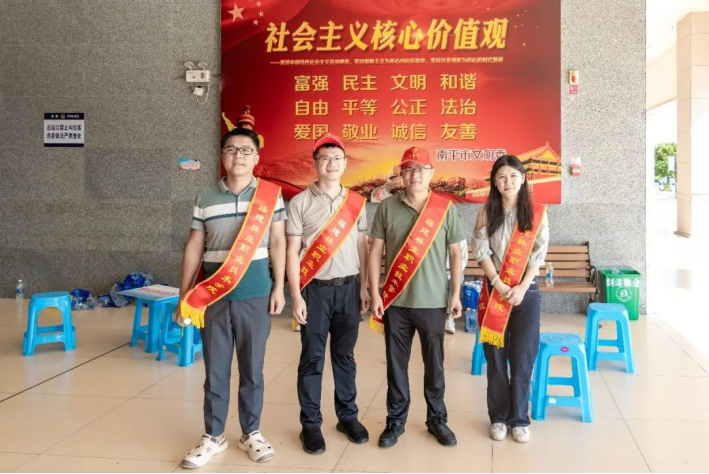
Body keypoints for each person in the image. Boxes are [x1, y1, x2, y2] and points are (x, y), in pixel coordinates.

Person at [177, 127, 287, 468]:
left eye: (245, 150)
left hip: (256, 295)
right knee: (216, 368)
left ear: (256, 157)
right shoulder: (205, 196)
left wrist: (279, 287)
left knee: (253, 369)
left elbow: (279, 242)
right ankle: (213, 435)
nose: (238, 155)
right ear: (222, 156)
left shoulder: (270, 195)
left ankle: (251, 432)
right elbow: (195, 246)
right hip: (214, 297)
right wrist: (184, 296)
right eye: (231, 149)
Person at [368, 146, 465, 448]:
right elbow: (375, 251)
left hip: (433, 302)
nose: (415, 175)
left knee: (434, 365)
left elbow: (456, 254)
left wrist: (456, 294)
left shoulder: (445, 209)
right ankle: (395, 420)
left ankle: (437, 419)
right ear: (401, 174)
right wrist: (374, 292)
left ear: (431, 173)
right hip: (395, 302)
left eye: (421, 169)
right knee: (396, 364)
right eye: (409, 169)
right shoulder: (387, 207)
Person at [286, 133, 371, 454]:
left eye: (337, 158)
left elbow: (362, 246)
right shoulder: (300, 202)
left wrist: (364, 287)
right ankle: (310, 424)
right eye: (325, 158)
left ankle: (347, 416)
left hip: (349, 289)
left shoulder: (357, 202)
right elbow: (292, 251)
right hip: (315, 291)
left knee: (345, 357)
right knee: (312, 358)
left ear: (345, 163)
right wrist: (296, 295)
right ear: (315, 163)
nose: (331, 164)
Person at [471, 154, 549, 444]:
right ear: (494, 181)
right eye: (502, 177)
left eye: (514, 176)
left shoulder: (537, 213)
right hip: (495, 293)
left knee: (522, 357)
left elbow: (538, 255)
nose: (508, 182)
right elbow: (481, 252)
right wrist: (498, 284)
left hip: (526, 294)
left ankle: (519, 419)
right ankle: (498, 418)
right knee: (495, 359)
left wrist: (521, 287)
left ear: (523, 179)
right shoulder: (486, 212)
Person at [445, 239, 469, 334]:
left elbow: (463, 260)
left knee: (458, 278)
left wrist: (453, 271)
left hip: (453, 272)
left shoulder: (461, 239)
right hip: (437, 272)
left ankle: (450, 318)